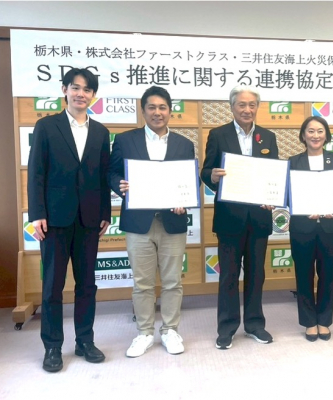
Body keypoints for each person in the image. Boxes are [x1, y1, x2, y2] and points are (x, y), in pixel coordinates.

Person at [28, 68, 111, 372]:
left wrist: (105, 213)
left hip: (89, 218)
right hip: (54, 218)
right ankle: (52, 346)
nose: (80, 94)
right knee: (52, 286)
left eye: (87, 90)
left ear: (93, 95)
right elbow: (36, 172)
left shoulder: (101, 132)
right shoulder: (46, 126)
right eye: (75, 88)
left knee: (87, 284)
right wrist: (37, 213)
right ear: (64, 90)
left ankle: (84, 341)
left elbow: (103, 175)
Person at [108, 86, 195, 357]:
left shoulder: (184, 143)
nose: (157, 112)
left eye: (162, 107)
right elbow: (111, 172)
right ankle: (144, 332)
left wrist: (184, 199)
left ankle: (170, 330)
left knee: (172, 282)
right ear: (143, 110)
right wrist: (119, 185)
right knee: (142, 283)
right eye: (152, 107)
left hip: (172, 221)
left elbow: (189, 180)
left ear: (170, 111)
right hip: (139, 222)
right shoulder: (125, 140)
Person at [201, 85, 279, 350]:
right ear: (232, 107)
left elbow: (273, 174)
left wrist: (272, 194)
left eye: (252, 105)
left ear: (258, 107)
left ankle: (255, 324)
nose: (247, 109)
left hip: (259, 217)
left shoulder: (267, 137)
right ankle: (227, 327)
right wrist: (212, 177)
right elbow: (206, 171)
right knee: (229, 276)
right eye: (242, 105)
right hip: (229, 218)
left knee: (257, 274)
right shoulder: (218, 134)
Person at [288, 116, 333, 342]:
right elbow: (287, 194)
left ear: (327, 135)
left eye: (320, 131)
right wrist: (303, 209)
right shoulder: (293, 161)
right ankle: (309, 322)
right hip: (302, 227)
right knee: (303, 275)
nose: (315, 135)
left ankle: (324, 320)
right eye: (310, 131)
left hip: (331, 227)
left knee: (328, 275)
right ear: (303, 135)